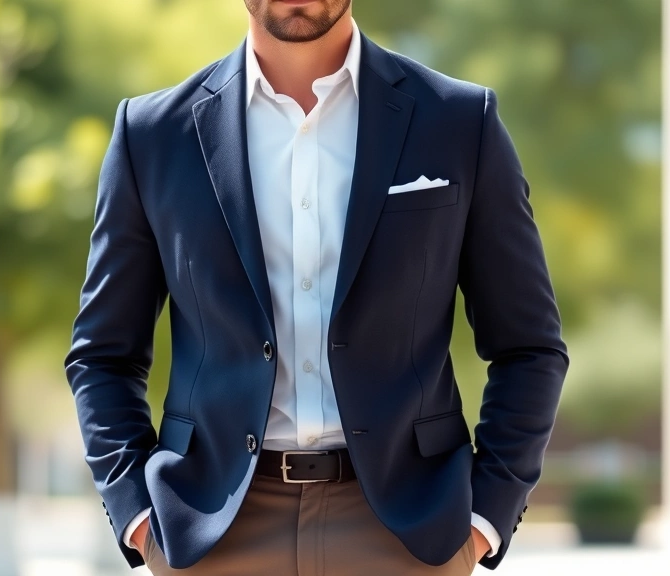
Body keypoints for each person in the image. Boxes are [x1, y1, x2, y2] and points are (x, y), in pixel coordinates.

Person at [65, 1, 568, 574]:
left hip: (406, 535)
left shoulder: (457, 121)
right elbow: (102, 355)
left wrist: (484, 520)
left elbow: (529, 346)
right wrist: (135, 515)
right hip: (212, 532)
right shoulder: (153, 135)